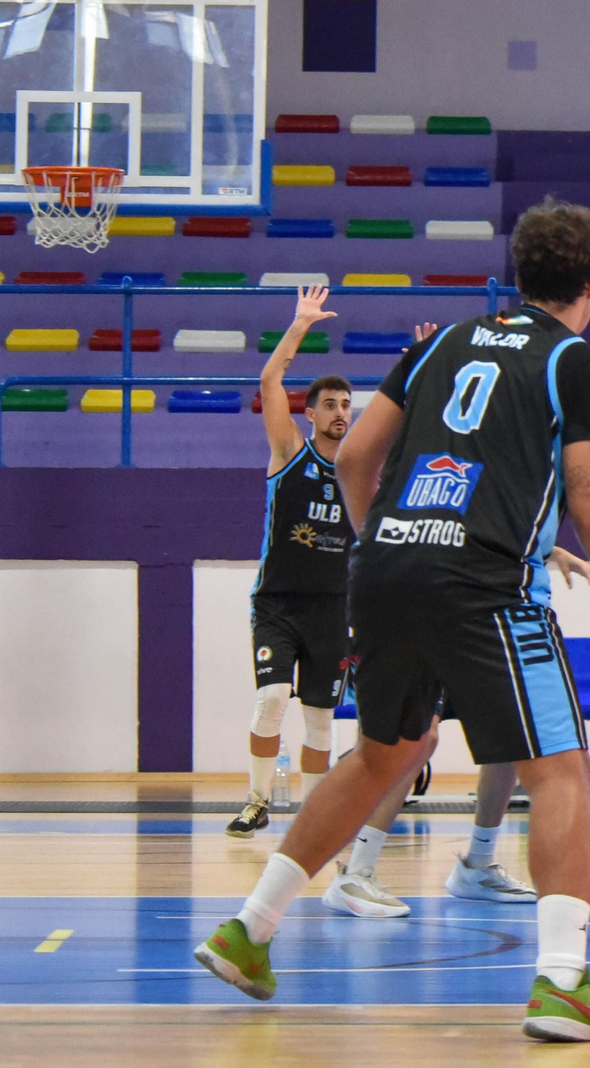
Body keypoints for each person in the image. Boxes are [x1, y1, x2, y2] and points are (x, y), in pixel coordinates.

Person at [195, 198, 590, 1043]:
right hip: (483, 583)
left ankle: (249, 929)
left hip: (382, 569)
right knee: (560, 769)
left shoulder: (437, 343)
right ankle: (562, 981)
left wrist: (393, 543)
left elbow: (358, 457)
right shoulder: (577, 364)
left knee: (382, 753)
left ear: (518, 276)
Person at [321, 540, 590, 918]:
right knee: (416, 737)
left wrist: (553, 551)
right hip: (420, 603)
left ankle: (476, 866)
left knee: (513, 733)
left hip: (488, 612)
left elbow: (497, 524)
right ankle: (355, 871)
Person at [225, 288, 354, 839]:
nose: (341, 413)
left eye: (348, 405)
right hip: (278, 603)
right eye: (330, 404)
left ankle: (313, 815)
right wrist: (300, 325)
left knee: (322, 719)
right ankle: (257, 799)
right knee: (274, 697)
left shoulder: (359, 473)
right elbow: (268, 384)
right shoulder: (288, 453)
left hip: (332, 608)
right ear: (311, 413)